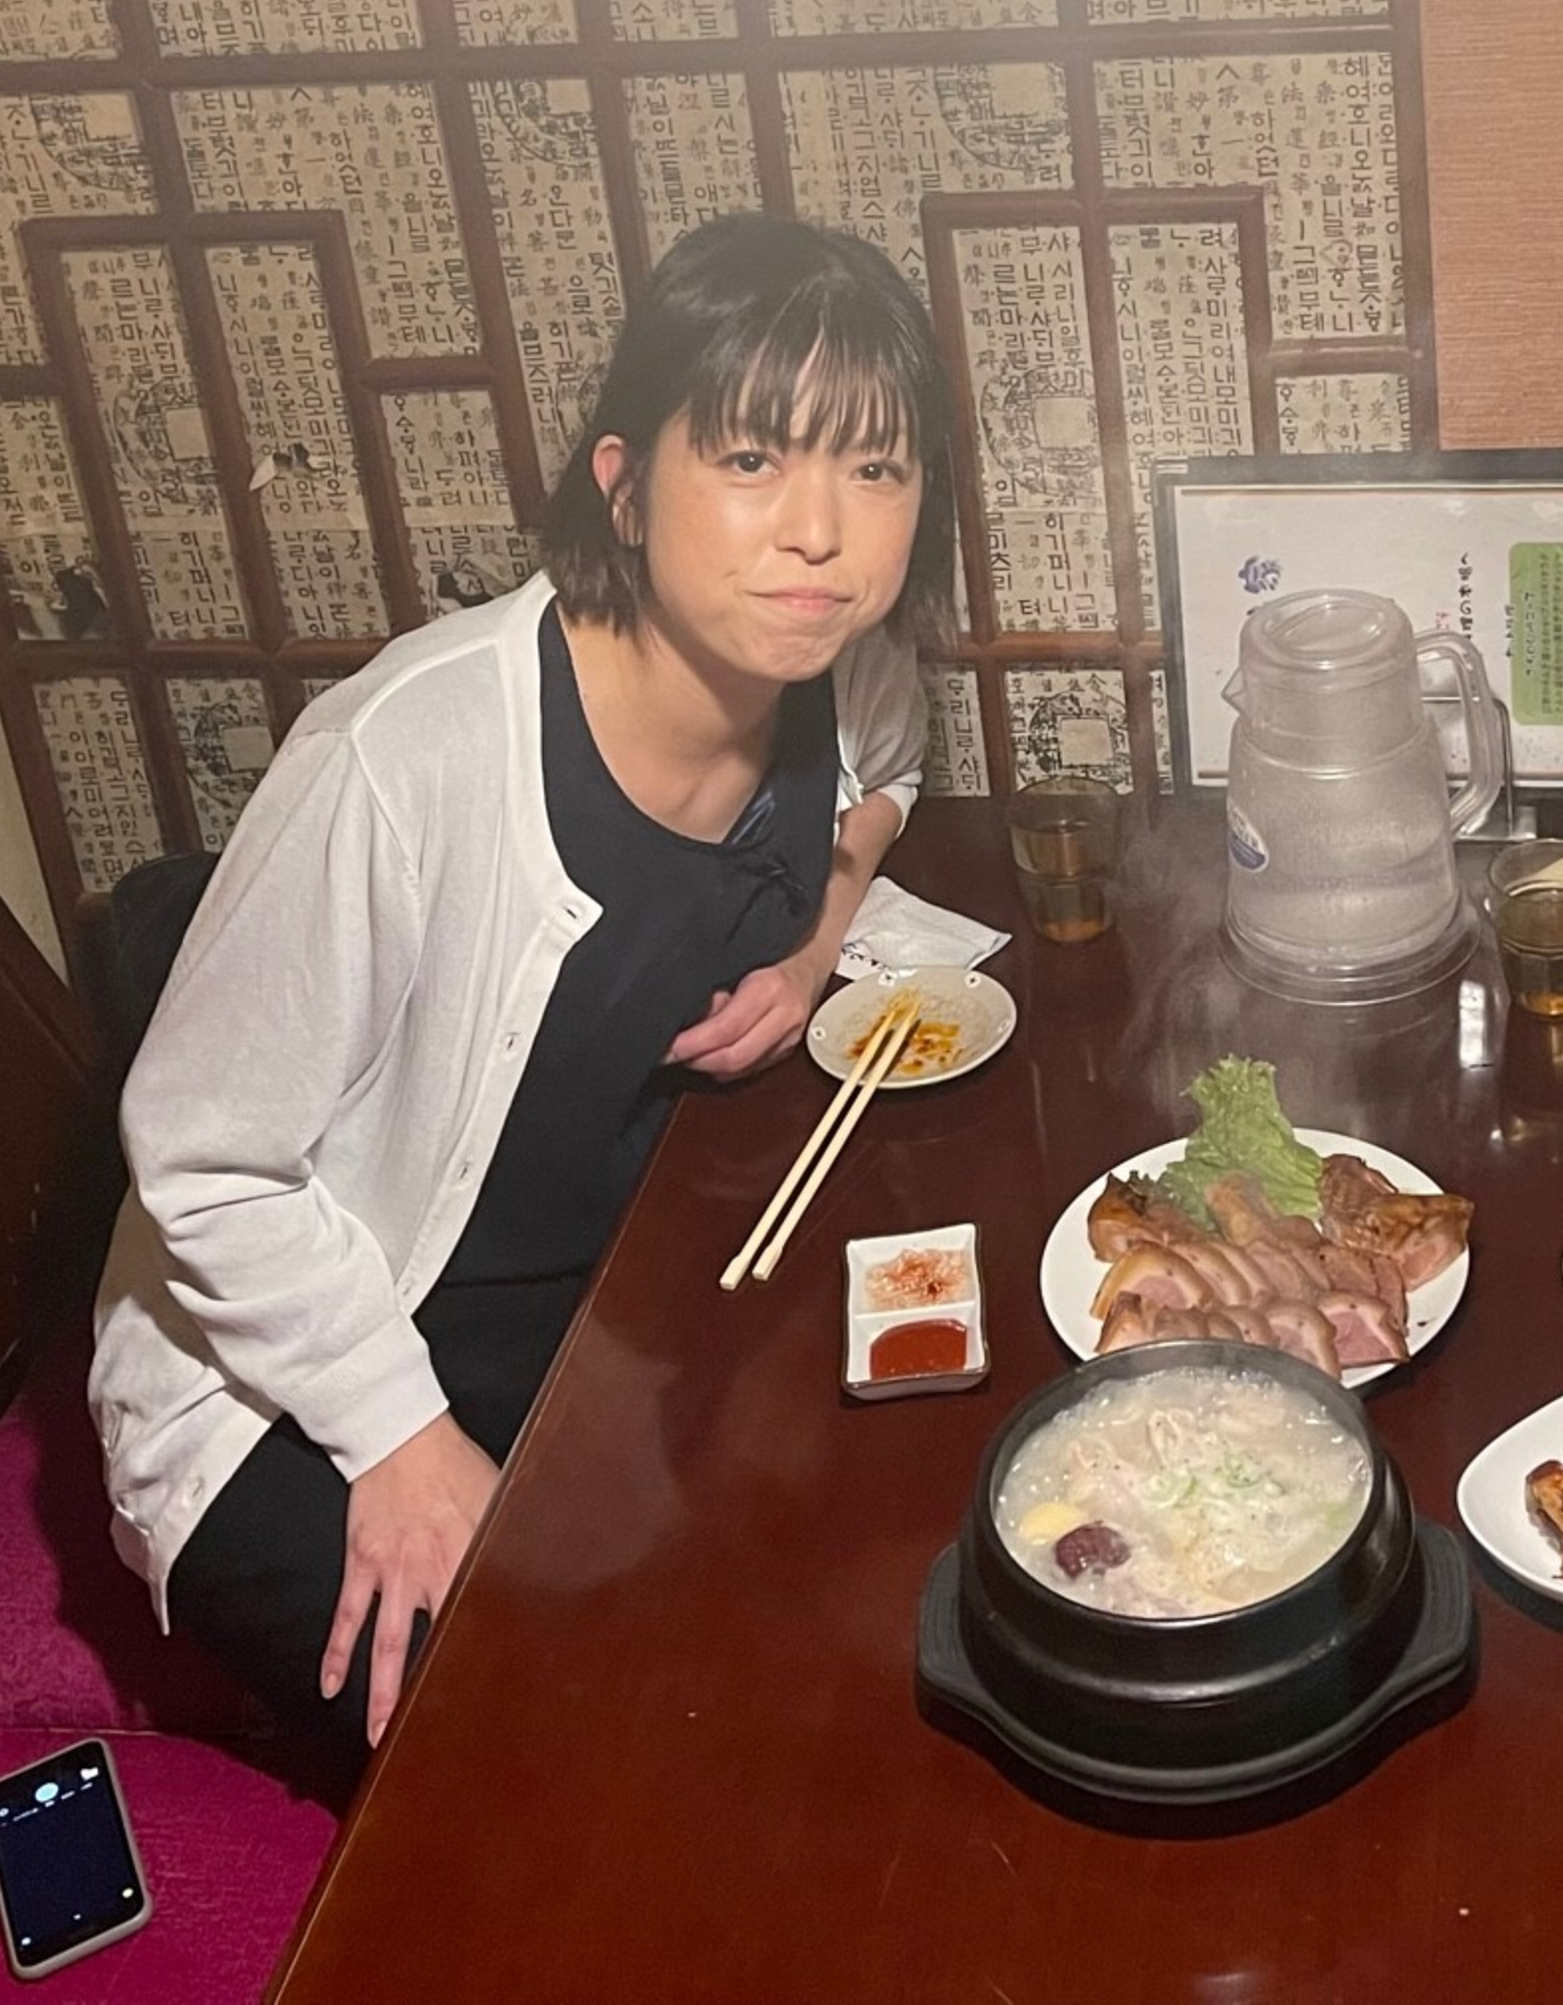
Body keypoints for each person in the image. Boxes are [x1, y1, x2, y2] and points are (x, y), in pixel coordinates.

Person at [91, 212, 957, 1775]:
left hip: (602, 1318)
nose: (820, 531)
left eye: (876, 467)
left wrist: (812, 940)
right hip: (295, 1377)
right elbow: (202, 1161)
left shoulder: (833, 669)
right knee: (564, 1764)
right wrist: (400, 1436)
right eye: (751, 459)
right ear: (623, 485)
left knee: (859, 1613)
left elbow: (888, 755)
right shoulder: (407, 753)